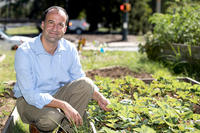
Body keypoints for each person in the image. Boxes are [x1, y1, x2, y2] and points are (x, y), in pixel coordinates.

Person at [13, 6, 111, 133]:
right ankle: (37, 127)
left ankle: (66, 130)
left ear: (65, 29)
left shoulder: (69, 49)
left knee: (86, 84)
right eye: (51, 22)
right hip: (28, 101)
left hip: (57, 94)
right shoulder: (25, 51)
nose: (55, 28)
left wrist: (99, 97)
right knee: (52, 117)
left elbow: (78, 78)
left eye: (60, 24)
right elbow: (30, 94)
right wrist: (63, 105)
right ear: (42, 25)